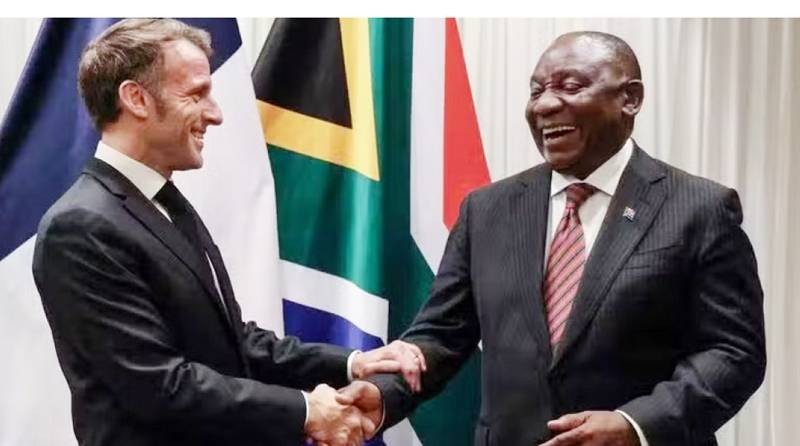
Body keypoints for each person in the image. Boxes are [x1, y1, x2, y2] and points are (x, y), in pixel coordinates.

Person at [361, 31, 767, 445]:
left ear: (630, 98)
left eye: (570, 87)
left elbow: (733, 352)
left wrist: (635, 425)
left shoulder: (700, 208)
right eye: (536, 91)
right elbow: (442, 335)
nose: (545, 105)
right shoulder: (485, 210)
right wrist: (381, 396)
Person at [32, 18, 423, 446]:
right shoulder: (80, 227)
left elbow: (235, 342)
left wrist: (354, 363)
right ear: (136, 98)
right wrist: (307, 411)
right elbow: (159, 385)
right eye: (196, 94)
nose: (215, 114)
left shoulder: (165, 203)